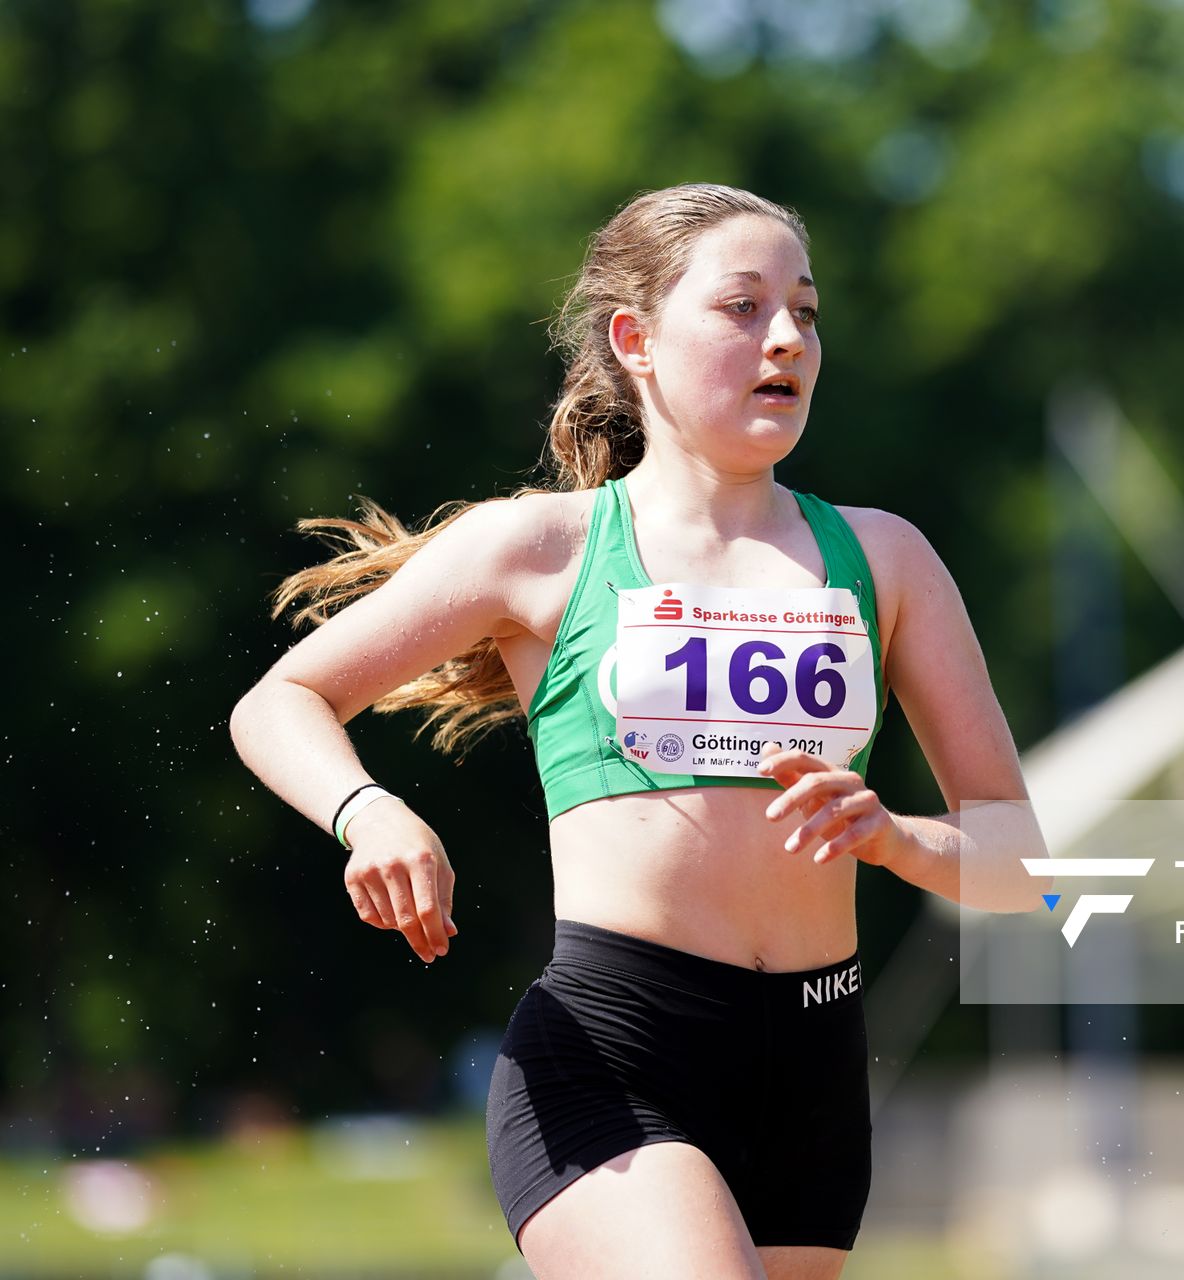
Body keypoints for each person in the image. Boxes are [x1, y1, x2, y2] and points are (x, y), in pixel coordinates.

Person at [228, 182, 1049, 1280]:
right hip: (615, 1051)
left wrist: (893, 834)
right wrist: (367, 809)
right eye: (744, 306)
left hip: (813, 1068)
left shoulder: (887, 559)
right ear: (637, 340)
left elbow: (1025, 861)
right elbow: (279, 700)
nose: (788, 337)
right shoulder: (542, 548)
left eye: (805, 310)